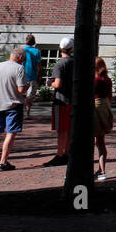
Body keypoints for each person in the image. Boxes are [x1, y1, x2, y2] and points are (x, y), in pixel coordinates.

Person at [0, 46, 29, 172]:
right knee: (10, 133)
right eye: (24, 58)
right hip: (13, 105)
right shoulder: (19, 68)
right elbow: (21, 89)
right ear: (20, 57)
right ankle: (3, 162)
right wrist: (27, 86)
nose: (24, 60)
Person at [43, 37, 75, 167]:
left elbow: (58, 84)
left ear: (59, 48)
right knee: (69, 129)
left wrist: (49, 83)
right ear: (71, 49)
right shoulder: (75, 62)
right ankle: (67, 153)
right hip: (72, 100)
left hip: (61, 100)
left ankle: (59, 155)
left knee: (61, 130)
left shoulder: (60, 64)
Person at [93, 57, 114, 181]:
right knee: (101, 142)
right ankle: (102, 170)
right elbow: (110, 97)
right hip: (105, 108)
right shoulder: (107, 80)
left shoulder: (95, 80)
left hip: (96, 108)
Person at [22, 35, 41, 118]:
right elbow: (39, 66)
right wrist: (39, 76)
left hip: (22, 76)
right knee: (30, 96)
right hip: (32, 76)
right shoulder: (36, 51)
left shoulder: (22, 50)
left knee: (20, 95)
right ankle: (27, 114)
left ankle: (21, 113)